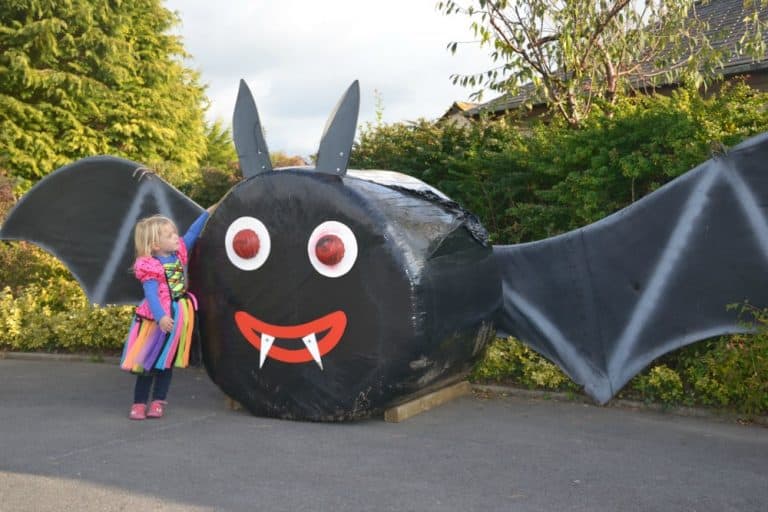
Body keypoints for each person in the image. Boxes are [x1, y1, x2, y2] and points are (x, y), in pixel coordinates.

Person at [120, 208, 212, 420]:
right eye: (170, 235)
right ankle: (139, 403)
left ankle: (158, 401)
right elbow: (151, 295)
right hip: (155, 320)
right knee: (147, 362)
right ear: (155, 245)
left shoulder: (178, 253)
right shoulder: (150, 266)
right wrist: (161, 317)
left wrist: (207, 213)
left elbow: (191, 233)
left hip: (177, 316)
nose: (176, 237)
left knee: (166, 361)